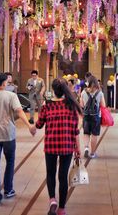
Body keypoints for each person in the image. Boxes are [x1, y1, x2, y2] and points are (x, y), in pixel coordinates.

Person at [0, 73, 36, 206]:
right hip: (8, 134)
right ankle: (8, 189)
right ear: (4, 83)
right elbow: (19, 111)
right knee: (10, 161)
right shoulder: (11, 96)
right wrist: (29, 126)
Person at [34, 78, 82, 215]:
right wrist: (77, 149)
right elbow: (75, 131)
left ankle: (52, 199)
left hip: (50, 145)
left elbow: (39, 124)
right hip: (67, 146)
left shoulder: (47, 105)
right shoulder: (71, 105)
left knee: (50, 173)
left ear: (53, 90)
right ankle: (61, 208)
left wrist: (33, 126)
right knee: (63, 176)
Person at [80, 75, 106, 159]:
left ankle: (86, 148)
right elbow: (103, 105)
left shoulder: (83, 92)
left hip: (86, 116)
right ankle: (92, 153)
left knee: (86, 133)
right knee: (94, 135)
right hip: (96, 117)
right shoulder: (100, 93)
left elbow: (81, 105)